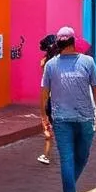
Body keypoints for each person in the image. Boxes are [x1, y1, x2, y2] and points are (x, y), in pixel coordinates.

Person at [40, 27, 96, 192]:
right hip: (75, 119)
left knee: (73, 159)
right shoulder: (56, 65)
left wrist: (43, 118)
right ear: (73, 42)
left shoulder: (58, 64)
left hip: (71, 119)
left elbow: (44, 95)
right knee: (77, 158)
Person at [37, 34, 60, 165]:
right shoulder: (60, 62)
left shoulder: (46, 63)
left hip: (50, 99)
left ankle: (46, 154)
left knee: (49, 128)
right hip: (61, 98)